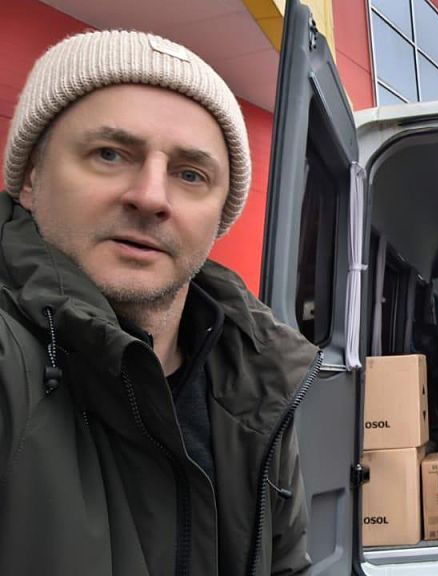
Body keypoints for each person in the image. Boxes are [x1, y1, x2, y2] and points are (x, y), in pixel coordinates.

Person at [0, 30, 319, 575]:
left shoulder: (255, 377)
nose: (150, 197)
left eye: (190, 174)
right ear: (30, 177)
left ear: (220, 214)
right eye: (109, 154)